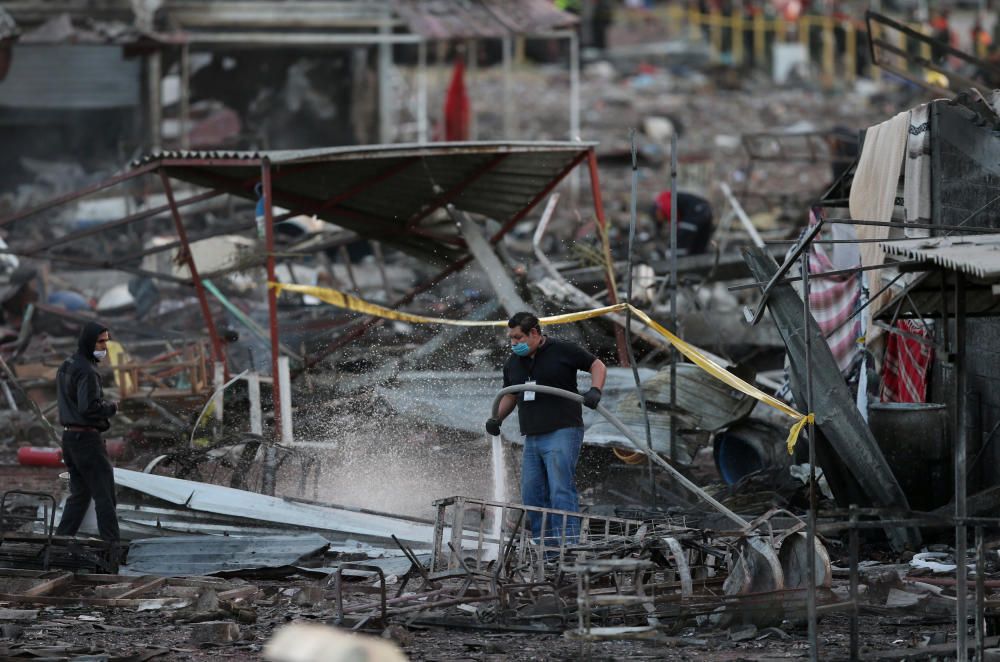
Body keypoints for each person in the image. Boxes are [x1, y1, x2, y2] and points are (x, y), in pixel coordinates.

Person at [485, 312, 606, 543]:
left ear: (534, 333)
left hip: (563, 430)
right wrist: (496, 418)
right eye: (511, 338)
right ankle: (546, 548)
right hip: (532, 436)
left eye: (518, 337)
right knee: (532, 493)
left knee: (560, 488)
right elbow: (511, 394)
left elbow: (596, 365)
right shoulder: (513, 363)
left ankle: (568, 545)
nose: (514, 343)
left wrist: (595, 390)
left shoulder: (562, 350)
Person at [55, 322, 120, 543]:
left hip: (70, 439)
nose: (105, 346)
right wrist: (111, 407)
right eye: (101, 341)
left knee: (80, 495)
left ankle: (60, 544)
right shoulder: (88, 371)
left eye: (106, 341)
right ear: (88, 341)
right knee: (105, 497)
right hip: (87, 440)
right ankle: (111, 550)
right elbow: (89, 407)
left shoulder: (67, 364)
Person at [651, 190, 714, 256]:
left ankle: (677, 258)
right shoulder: (662, 202)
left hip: (697, 209)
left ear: (657, 212)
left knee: (683, 236)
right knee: (698, 242)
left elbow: (673, 216)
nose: (664, 220)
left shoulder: (661, 200)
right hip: (705, 210)